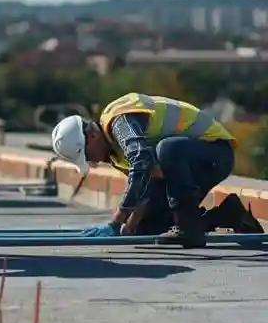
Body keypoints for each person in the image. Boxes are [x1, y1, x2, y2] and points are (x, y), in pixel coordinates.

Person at [50, 93, 240, 248]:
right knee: (147, 228)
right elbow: (147, 185)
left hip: (214, 152)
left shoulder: (120, 122)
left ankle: (188, 228)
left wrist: (117, 221)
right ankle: (227, 214)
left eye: (87, 155)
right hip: (189, 164)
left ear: (92, 136)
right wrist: (129, 227)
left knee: (167, 149)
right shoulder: (115, 153)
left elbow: (141, 162)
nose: (92, 161)